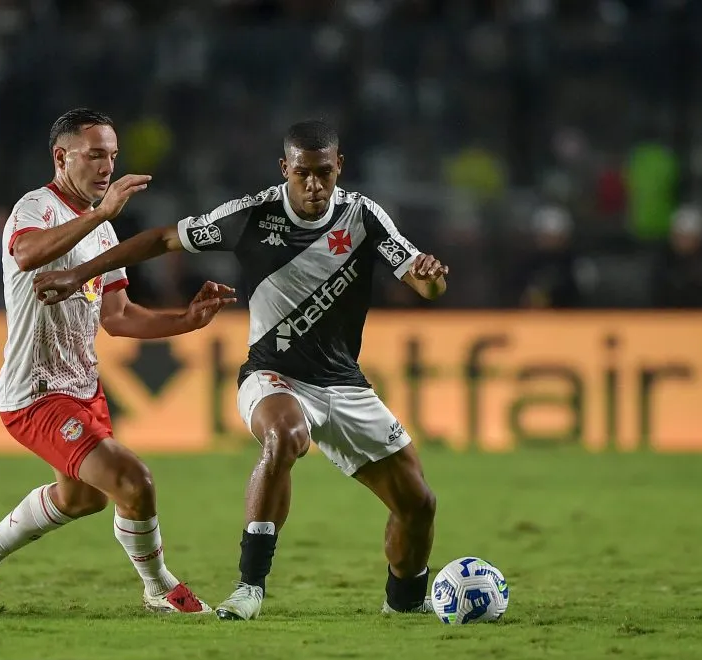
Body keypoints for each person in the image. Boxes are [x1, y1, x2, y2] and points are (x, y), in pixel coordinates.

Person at [32, 120, 448, 620]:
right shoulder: (254, 215)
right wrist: (79, 273)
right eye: (302, 174)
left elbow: (425, 286)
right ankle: (250, 586)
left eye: (323, 173)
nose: (314, 185)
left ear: (340, 167)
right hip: (273, 376)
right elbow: (165, 240)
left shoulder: (364, 217)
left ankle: (403, 605)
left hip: (343, 382)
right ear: (284, 170)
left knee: (418, 504)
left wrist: (432, 279)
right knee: (285, 433)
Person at [0, 108, 236, 614]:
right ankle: (159, 588)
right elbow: (28, 255)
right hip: (36, 393)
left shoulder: (102, 233)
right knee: (133, 481)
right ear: (61, 157)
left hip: (82, 389)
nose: (107, 167)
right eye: (95, 154)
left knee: (85, 498)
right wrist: (100, 214)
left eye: (113, 156)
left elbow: (119, 317)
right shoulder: (35, 207)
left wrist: (185, 319)